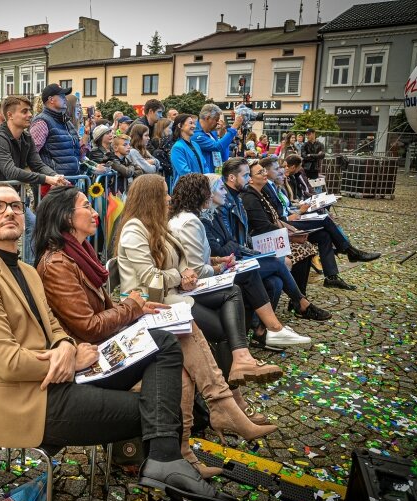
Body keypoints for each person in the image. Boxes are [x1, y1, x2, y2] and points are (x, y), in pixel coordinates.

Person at [0, 182, 242, 501]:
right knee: (162, 412)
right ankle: (167, 467)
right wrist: (69, 358)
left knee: (162, 340)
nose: (9, 212)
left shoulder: (27, 271)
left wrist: (66, 348)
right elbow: (7, 362)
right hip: (26, 400)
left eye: (16, 206)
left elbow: (56, 327)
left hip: (60, 378)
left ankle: (165, 463)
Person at [34, 185, 277, 479]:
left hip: (105, 341)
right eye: (86, 206)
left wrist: (138, 308)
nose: (95, 211)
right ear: (65, 217)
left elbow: (106, 308)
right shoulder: (58, 263)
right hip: (89, 357)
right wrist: (132, 308)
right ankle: (221, 407)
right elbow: (88, 326)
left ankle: (190, 446)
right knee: (181, 333)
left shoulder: (79, 252)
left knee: (180, 333)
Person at [116, 175, 283, 387]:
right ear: (150, 198)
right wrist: (182, 275)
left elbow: (176, 259)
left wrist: (188, 271)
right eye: (164, 193)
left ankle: (241, 363)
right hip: (153, 302)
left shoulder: (156, 225)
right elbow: (151, 278)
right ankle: (232, 390)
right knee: (222, 327)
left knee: (233, 291)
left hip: (172, 292)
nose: (169, 198)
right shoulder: (134, 229)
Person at [169, 174, 313, 350]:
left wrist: (218, 260)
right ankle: (276, 326)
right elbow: (197, 270)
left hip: (199, 276)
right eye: (209, 191)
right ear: (199, 194)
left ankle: (266, 330)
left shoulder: (188, 218)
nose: (211, 195)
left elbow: (198, 257)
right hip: (195, 284)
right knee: (251, 272)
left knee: (273, 280)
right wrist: (221, 266)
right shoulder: (191, 221)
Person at [203, 164, 330, 325]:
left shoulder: (238, 200)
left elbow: (237, 239)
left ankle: (260, 329)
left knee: (277, 279)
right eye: (248, 175)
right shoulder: (233, 203)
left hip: (242, 253)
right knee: (278, 262)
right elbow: (225, 246)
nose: (250, 178)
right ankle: (301, 304)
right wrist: (252, 250)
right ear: (232, 178)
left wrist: (252, 250)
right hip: (229, 262)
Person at [0, 95, 68, 263]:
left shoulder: (26, 137)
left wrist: (54, 176)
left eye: (30, 111)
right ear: (10, 115)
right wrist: (46, 178)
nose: (30, 114)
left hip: (6, 195)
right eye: (24, 111)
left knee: (32, 224)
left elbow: (37, 164)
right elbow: (11, 171)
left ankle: (28, 268)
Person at [264, 157, 380, 269]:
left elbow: (292, 200)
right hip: (286, 224)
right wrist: (297, 212)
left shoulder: (277, 184)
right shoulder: (267, 187)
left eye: (281, 168)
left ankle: (332, 276)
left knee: (324, 235)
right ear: (266, 172)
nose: (282, 171)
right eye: (277, 169)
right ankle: (351, 252)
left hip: (292, 217)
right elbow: (277, 215)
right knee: (325, 219)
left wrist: (299, 207)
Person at [30, 84, 81, 177]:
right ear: (51, 99)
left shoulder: (66, 122)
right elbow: (32, 155)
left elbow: (77, 152)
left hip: (70, 180)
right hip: (52, 184)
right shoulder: (41, 122)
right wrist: (49, 176)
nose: (65, 99)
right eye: (62, 96)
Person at [192, 104, 243, 174]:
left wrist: (222, 137)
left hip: (216, 174)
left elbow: (224, 157)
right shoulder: (195, 134)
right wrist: (234, 127)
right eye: (216, 119)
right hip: (205, 176)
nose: (218, 123)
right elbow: (217, 147)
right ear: (207, 118)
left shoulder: (211, 133)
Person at [170, 114, 207, 186]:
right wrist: (202, 181)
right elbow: (184, 172)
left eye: (194, 123)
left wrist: (207, 179)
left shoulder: (196, 145)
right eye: (191, 123)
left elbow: (204, 164)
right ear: (180, 126)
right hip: (186, 190)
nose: (194, 126)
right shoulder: (177, 147)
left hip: (200, 186)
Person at [149, 118, 174, 185]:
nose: (171, 131)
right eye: (170, 128)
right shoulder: (156, 140)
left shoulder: (170, 140)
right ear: (162, 128)